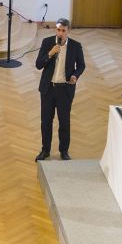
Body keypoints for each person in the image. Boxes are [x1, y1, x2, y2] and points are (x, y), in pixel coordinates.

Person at [35, 17, 85, 161]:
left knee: (64, 122)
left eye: (63, 31)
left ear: (68, 31)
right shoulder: (47, 43)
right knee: (46, 121)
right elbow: (38, 65)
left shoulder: (75, 46)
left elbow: (81, 65)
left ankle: (64, 151)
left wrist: (75, 75)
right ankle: (45, 150)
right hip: (48, 89)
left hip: (64, 90)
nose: (60, 33)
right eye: (58, 30)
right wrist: (50, 53)